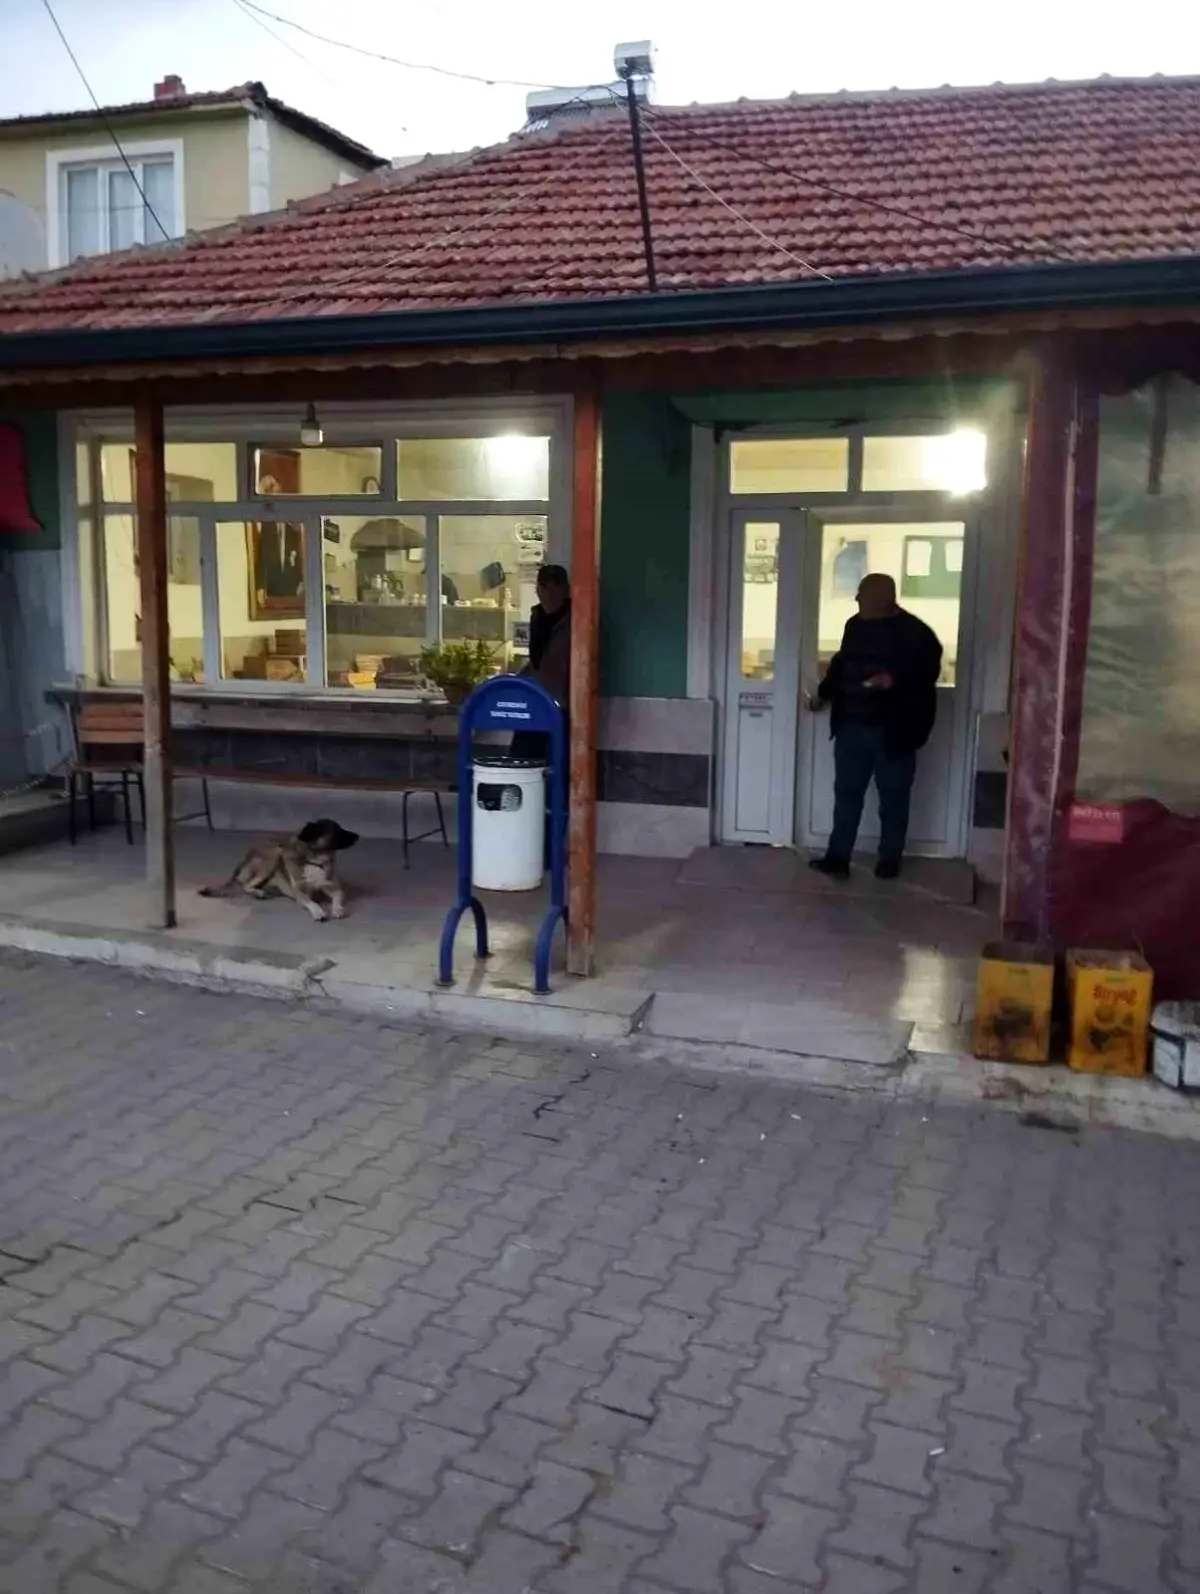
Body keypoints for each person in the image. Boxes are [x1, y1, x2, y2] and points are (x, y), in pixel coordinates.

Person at [807, 572, 942, 880]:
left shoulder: (915, 633)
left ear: (884, 599)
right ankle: (838, 858)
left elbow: (926, 672)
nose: (857, 599)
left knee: (893, 799)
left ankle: (889, 859)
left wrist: (894, 679)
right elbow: (842, 665)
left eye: (863, 594)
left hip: (893, 732)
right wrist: (823, 694)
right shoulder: (855, 626)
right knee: (846, 795)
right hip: (851, 727)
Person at [511, 565, 570, 761]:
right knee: (523, 760)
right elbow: (539, 661)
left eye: (556, 587)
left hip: (563, 707)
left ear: (566, 589)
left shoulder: (575, 619)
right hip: (535, 701)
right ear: (537, 590)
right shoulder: (538, 617)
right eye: (544, 587)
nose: (550, 593)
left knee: (558, 764)